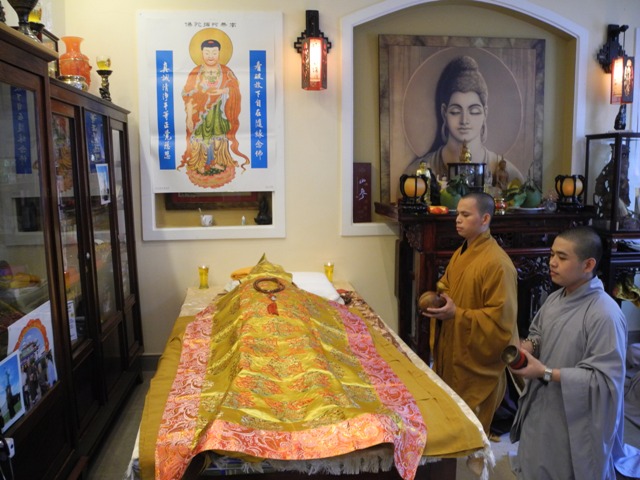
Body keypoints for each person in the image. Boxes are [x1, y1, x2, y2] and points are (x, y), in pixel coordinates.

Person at [509, 226, 640, 479]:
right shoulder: (555, 298)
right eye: (552, 255)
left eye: (562, 257)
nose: (552, 262)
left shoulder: (605, 314)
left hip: (576, 418)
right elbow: (538, 333)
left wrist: (545, 372)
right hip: (542, 403)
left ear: (588, 264)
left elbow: (604, 381)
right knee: (534, 460)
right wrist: (528, 347)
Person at [423, 191, 519, 435]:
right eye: (458, 214)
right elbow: (448, 285)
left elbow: (501, 322)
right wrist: (439, 299)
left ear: (485, 219)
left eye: (465, 215)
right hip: (455, 347)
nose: (458, 219)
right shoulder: (462, 252)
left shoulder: (498, 264)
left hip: (476, 358)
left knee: (470, 429)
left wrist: (457, 314)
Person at [404, 55, 524, 188]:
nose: (464, 120)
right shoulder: (416, 171)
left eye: (474, 111)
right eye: (455, 111)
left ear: (485, 113)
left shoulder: (509, 173)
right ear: (444, 112)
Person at [178, 38, 249, 179]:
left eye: (214, 53)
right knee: (200, 136)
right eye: (207, 53)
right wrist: (190, 116)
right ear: (201, 53)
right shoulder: (196, 72)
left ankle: (218, 162)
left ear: (220, 53)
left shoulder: (226, 71)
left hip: (219, 111)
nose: (211, 56)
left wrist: (223, 91)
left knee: (218, 135)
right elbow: (187, 94)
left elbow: (235, 88)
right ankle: (200, 163)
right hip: (200, 113)